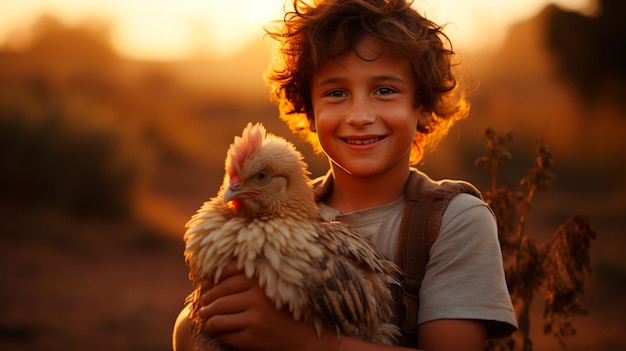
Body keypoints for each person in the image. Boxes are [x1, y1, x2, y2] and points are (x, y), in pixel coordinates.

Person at [173, 0, 518, 350]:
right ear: (308, 111)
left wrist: (298, 340)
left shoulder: (452, 222)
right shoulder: (262, 213)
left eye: (384, 90)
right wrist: (193, 322)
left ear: (423, 106)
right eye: (336, 93)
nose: (359, 115)